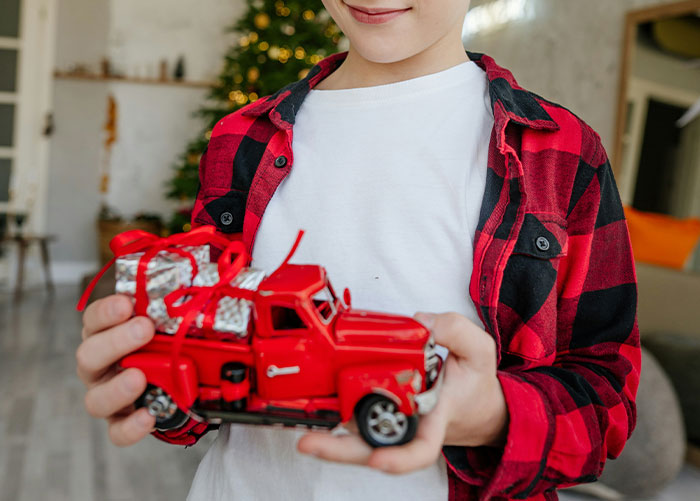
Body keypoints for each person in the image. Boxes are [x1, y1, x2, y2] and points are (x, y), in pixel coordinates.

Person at [76, 1, 641, 499]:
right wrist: (142, 379)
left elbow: (606, 396)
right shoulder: (239, 139)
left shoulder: (560, 151)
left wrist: (492, 418)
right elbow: (204, 384)